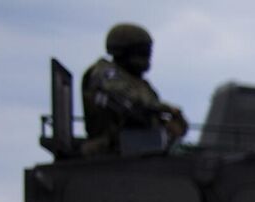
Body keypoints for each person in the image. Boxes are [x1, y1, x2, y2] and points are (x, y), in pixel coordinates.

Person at [80, 22, 187, 155]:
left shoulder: (140, 83)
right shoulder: (105, 73)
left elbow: (152, 116)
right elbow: (131, 102)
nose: (148, 57)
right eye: (142, 52)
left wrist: (172, 125)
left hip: (141, 148)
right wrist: (166, 109)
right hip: (111, 149)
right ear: (124, 51)